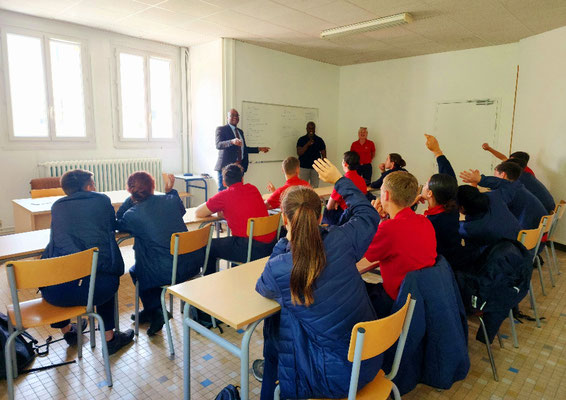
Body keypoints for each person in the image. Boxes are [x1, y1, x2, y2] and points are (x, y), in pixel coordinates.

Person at [256, 158, 381, 400]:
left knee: (278, 324)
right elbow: (368, 214)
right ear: (321, 213)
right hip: (370, 357)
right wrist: (338, 180)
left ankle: (269, 384)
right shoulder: (343, 239)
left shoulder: (279, 267)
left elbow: (262, 288)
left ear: (284, 220)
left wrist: (285, 241)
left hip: (334, 375)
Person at [40, 169, 134, 355]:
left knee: (60, 271)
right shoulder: (102, 200)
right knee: (105, 272)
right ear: (89, 187)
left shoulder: (57, 206)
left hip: (57, 293)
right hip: (97, 291)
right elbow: (111, 225)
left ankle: (68, 332)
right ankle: (110, 338)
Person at [116, 172, 204, 336]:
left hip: (167, 271)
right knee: (145, 267)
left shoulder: (133, 214)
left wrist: (131, 199)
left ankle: (156, 311)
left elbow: (119, 221)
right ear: (152, 187)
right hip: (191, 264)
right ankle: (151, 310)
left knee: (138, 271)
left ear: (130, 190)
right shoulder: (170, 200)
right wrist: (170, 191)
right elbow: (181, 210)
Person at [364, 171, 437, 318]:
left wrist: (371, 218)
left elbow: (366, 255)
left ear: (386, 195)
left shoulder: (390, 228)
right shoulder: (425, 221)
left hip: (395, 301)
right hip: (420, 297)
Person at [195, 164, 276, 275]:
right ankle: (236, 273)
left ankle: (209, 279)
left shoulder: (224, 196)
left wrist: (220, 210)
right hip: (270, 245)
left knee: (209, 246)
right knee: (234, 242)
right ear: (242, 179)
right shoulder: (253, 189)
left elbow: (199, 212)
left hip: (249, 248)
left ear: (224, 182)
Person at [421, 134, 469, 270]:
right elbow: (449, 178)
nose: (423, 186)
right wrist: (437, 152)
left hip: (441, 269)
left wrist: (410, 204)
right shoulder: (450, 207)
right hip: (456, 261)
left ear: (430, 193)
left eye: (425, 184)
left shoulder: (430, 222)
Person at [460, 161, 546, 230]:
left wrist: (477, 181)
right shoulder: (517, 186)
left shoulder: (510, 190)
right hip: (536, 230)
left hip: (527, 233)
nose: (494, 178)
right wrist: (476, 182)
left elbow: (479, 204)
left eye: (495, 175)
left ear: (503, 175)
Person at [214, 108, 270, 191]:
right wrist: (232, 142)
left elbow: (244, 149)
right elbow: (219, 145)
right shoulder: (221, 129)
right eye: (232, 115)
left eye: (237, 115)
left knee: (238, 193)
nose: (235, 117)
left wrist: (259, 149)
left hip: (239, 168)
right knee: (223, 193)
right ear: (227, 117)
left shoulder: (240, 132)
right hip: (226, 168)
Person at [323, 150, 367, 225]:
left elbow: (329, 206)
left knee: (326, 210)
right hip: (358, 214)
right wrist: (338, 201)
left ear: (345, 164)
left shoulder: (341, 182)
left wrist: (337, 202)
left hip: (345, 217)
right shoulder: (362, 180)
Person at [296, 121, 326, 188]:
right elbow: (299, 153)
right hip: (303, 167)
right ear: (306, 129)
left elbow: (324, 155)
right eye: (309, 128)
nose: (311, 130)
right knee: (303, 188)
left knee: (315, 187)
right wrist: (307, 144)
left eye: (313, 128)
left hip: (316, 168)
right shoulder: (301, 140)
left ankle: (313, 199)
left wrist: (323, 167)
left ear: (315, 129)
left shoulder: (319, 140)